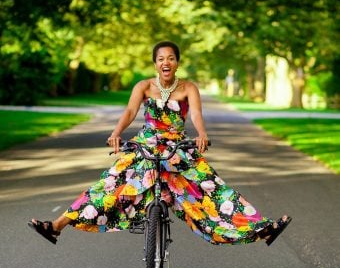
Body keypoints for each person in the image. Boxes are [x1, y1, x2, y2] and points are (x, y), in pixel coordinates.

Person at [28, 41, 291, 246]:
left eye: (171, 58)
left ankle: (263, 229)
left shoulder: (188, 88)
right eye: (161, 59)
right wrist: (116, 132)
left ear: (177, 63)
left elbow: (197, 115)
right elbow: (130, 112)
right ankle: (56, 227)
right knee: (108, 185)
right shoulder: (143, 86)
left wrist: (201, 134)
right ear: (155, 64)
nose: (166, 62)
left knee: (212, 191)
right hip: (146, 146)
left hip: (177, 149)